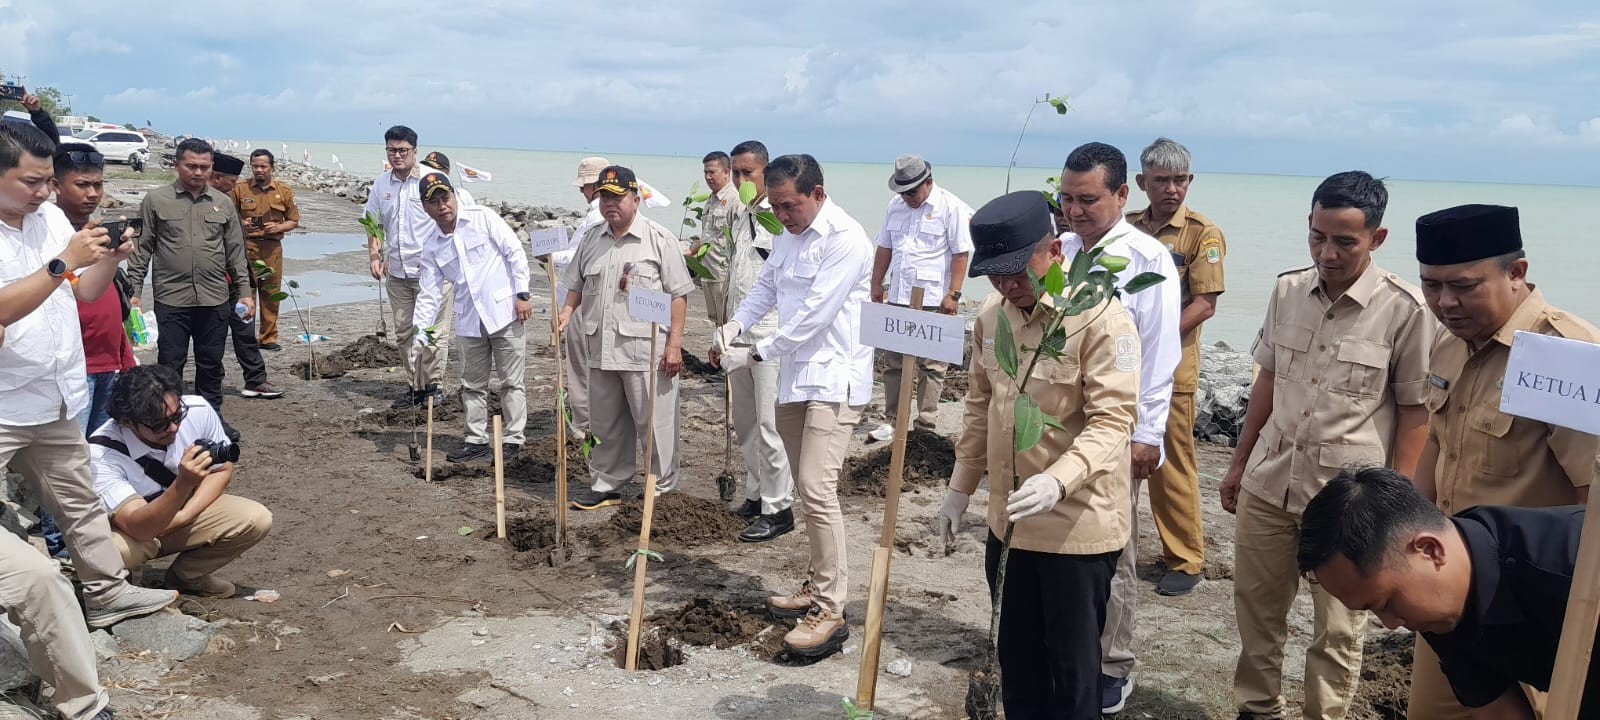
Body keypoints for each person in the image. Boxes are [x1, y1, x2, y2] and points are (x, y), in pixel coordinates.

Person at [1219, 172, 1434, 720]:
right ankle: (1258, 708)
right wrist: (1239, 463)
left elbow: (1415, 413)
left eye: (1345, 241)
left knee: (1338, 628)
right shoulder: (1287, 290)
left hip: (1349, 504)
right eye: (1318, 237)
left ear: (1377, 239)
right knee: (1257, 611)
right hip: (1271, 482)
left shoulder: (1405, 310)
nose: (1327, 253)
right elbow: (1266, 382)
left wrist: (1398, 507)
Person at [935, 190, 1141, 719]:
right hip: (1010, 527)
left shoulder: (1098, 318)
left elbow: (1113, 421)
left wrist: (1058, 480)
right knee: (1018, 664)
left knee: (1073, 678)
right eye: (995, 275)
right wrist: (960, 490)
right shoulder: (991, 318)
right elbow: (981, 408)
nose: (1007, 285)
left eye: (1017, 271)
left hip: (1076, 529)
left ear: (1053, 251)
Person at [1407, 203, 1600, 720]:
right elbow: (1437, 446)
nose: (1445, 302)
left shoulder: (1564, 355)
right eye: (1431, 286)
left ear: (1517, 273)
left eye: (1465, 286)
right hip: (1452, 592)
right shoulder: (1450, 345)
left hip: (1535, 605)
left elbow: (1594, 498)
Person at [0, 122, 180, 630]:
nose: (42, 191)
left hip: (57, 392)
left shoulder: (51, 218)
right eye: (30, 182)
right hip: (5, 398)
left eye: (45, 181)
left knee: (79, 499)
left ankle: (105, 592)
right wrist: (63, 262)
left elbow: (82, 290)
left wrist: (112, 259)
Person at [719, 153, 873, 657]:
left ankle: (831, 609)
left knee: (816, 487)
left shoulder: (846, 240)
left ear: (818, 194)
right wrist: (736, 325)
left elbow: (814, 314)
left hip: (835, 380)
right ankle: (816, 582)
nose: (783, 216)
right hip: (797, 378)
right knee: (807, 487)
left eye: (791, 207)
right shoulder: (788, 234)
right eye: (777, 206)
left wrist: (756, 351)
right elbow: (766, 287)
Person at [1299, 467, 1599, 719]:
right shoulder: (1440, 603)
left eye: (1387, 603)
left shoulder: (1574, 569)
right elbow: (1499, 709)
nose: (1391, 623)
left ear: (1429, 550)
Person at [1049, 141, 1181, 713]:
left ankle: (1113, 663)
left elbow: (1158, 356)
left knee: (1115, 550)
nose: (1075, 211)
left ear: (1123, 196)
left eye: (1088, 199)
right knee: (1065, 545)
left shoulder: (1146, 260)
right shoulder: (1058, 252)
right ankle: (1071, 651)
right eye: (1067, 199)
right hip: (1061, 425)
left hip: (1117, 426)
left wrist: (1147, 434)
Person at [1126, 137, 1226, 598]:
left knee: (1171, 466)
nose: (1172, 189)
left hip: (1172, 372)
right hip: (1122, 364)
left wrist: (1155, 341)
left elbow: (1204, 305)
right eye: (1162, 180)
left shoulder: (1202, 234)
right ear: (1142, 183)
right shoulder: (1126, 229)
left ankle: (1185, 559)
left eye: (1180, 180)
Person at [559, 166, 693, 509]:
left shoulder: (660, 240)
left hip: (646, 351)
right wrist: (566, 312)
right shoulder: (592, 239)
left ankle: (659, 489)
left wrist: (675, 344)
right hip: (600, 347)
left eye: (617, 198)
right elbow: (575, 284)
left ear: (636, 199)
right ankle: (607, 484)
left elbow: (679, 295)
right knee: (604, 422)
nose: (609, 204)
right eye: (604, 197)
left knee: (655, 423)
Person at [88, 365, 273, 599]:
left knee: (256, 518)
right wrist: (184, 484)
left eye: (176, 416)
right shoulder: (101, 453)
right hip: (136, 532)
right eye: (158, 424)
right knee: (111, 553)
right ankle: (128, 591)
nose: (173, 428)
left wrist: (185, 515)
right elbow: (138, 526)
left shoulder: (197, 409)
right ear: (126, 422)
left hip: (180, 516)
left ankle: (188, 576)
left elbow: (221, 470)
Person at [707, 140, 794, 543]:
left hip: (772, 336)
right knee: (744, 423)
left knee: (770, 424)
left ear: (765, 172)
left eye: (749, 173)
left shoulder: (779, 221)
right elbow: (736, 277)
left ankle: (779, 508)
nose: (742, 180)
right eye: (737, 173)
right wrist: (727, 328)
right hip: (741, 331)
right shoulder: (739, 215)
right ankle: (756, 494)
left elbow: (779, 285)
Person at [412, 172, 531, 462]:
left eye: (445, 198)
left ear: (454, 196)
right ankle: (475, 439)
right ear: (425, 208)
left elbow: (514, 252)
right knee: (471, 385)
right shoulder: (431, 246)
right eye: (434, 202)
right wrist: (421, 334)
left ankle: (514, 441)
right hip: (468, 321)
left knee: (511, 382)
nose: (442, 206)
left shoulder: (483, 218)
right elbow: (429, 294)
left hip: (504, 312)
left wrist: (523, 294)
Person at [129, 138, 253, 411]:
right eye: (191, 166)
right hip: (172, 300)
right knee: (170, 364)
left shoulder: (222, 203)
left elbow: (236, 253)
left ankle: (211, 418)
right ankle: (168, 418)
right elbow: (141, 249)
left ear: (211, 168)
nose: (198, 173)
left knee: (211, 364)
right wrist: (134, 294)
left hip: (214, 300)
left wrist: (245, 293)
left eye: (204, 167)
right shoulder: (156, 201)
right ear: (176, 165)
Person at [865, 154, 973, 441]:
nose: (907, 197)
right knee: (894, 362)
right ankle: (892, 420)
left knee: (932, 364)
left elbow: (961, 253)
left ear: (928, 182)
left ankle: (925, 424)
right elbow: (885, 247)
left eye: (912, 191)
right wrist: (877, 282)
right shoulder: (895, 207)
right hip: (900, 294)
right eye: (902, 191)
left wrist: (954, 294)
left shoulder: (950, 207)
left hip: (934, 298)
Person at [364, 125, 451, 409]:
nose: (397, 156)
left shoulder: (431, 179)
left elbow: (451, 219)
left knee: (432, 332)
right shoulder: (382, 183)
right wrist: (375, 255)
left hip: (433, 273)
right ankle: (415, 386)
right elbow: (373, 222)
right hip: (398, 272)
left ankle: (434, 387)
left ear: (415, 151)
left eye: (403, 150)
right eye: (392, 150)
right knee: (404, 332)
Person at [52, 142, 136, 434]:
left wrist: (125, 357)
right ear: (56, 185)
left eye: (98, 185)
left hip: (108, 361)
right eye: (82, 185)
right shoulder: (48, 234)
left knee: (102, 454)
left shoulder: (98, 231)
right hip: (73, 367)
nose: (92, 194)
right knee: (72, 459)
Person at [206, 152, 281, 400]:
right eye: (231, 180)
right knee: (211, 337)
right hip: (209, 284)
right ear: (217, 177)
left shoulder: (226, 202)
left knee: (244, 332)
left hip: (235, 281)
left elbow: (236, 247)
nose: (234, 185)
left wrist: (243, 286)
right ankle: (210, 383)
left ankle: (256, 380)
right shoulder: (207, 202)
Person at [550, 156, 609, 442]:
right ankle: (589, 418)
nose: (581, 191)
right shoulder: (597, 213)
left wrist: (551, 257)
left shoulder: (598, 215)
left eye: (584, 185)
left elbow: (579, 258)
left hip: (583, 300)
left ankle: (585, 422)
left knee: (581, 364)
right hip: (582, 298)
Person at [229, 148, 300, 350]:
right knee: (245, 292)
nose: (259, 170)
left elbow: (294, 220)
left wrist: (278, 227)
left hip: (271, 248)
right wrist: (242, 224)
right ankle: (245, 337)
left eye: (263, 166)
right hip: (246, 247)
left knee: (270, 292)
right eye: (255, 166)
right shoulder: (240, 189)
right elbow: (228, 217)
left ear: (272, 167)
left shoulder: (283, 191)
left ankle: (268, 338)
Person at [689, 150, 742, 325]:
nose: (708, 177)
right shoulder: (711, 200)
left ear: (727, 172)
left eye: (712, 172)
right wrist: (689, 252)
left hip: (724, 274)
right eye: (705, 172)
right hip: (707, 272)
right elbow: (707, 236)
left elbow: (741, 240)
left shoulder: (735, 199)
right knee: (715, 321)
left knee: (726, 321)